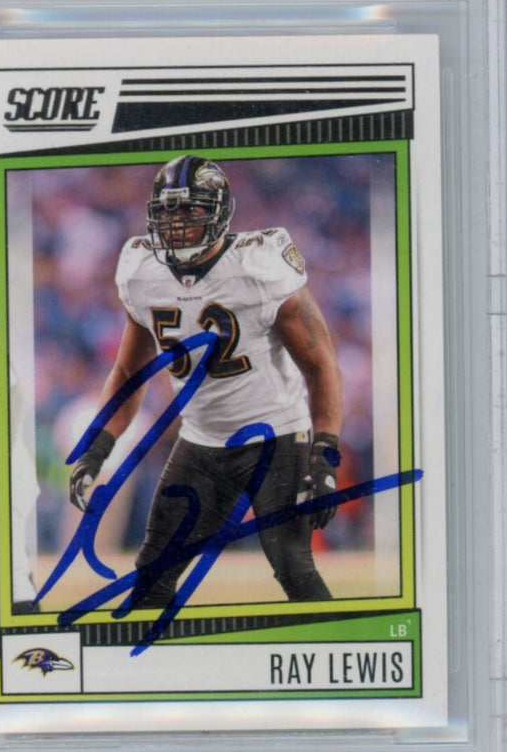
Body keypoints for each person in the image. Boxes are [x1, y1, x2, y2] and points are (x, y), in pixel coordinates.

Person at [68, 155, 344, 608]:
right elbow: (129, 373)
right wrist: (96, 449)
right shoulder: (141, 271)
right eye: (167, 210)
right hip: (201, 440)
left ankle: (343, 647)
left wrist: (324, 453)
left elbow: (321, 363)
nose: (176, 223)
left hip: (276, 436)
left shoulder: (258, 265)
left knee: (293, 566)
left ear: (219, 213)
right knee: (151, 578)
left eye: (190, 210)